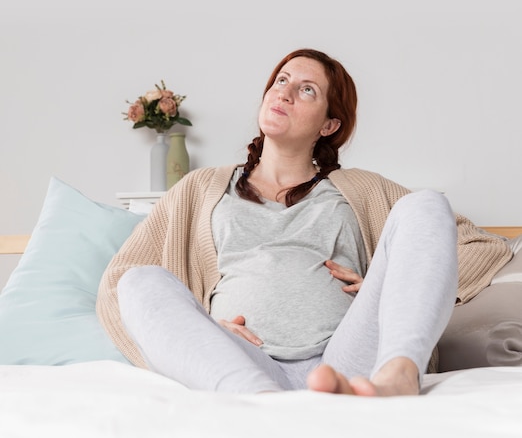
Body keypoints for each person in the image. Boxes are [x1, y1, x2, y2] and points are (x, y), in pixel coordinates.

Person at [96, 48, 512, 396]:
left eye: (306, 89)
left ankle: (399, 372)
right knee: (138, 281)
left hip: (350, 358)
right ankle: (265, 408)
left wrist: (397, 289)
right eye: (281, 80)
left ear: (329, 125)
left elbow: (479, 246)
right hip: (241, 364)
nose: (286, 92)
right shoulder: (199, 188)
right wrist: (200, 331)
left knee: (426, 203)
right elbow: (118, 284)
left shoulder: (361, 189)